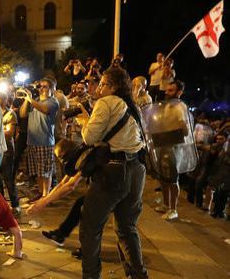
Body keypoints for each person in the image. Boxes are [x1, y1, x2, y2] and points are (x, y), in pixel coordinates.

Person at [76, 67, 147, 279]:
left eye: (103, 84)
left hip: (114, 171)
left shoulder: (106, 102)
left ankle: (91, 276)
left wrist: (84, 122)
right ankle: (138, 275)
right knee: (126, 227)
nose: (99, 88)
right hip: (136, 170)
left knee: (90, 228)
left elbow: (89, 138)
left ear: (113, 87)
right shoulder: (133, 106)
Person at [153, 80, 189, 221]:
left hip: (175, 146)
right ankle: (166, 204)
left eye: (171, 90)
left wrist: (182, 125)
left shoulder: (180, 107)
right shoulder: (166, 106)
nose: (167, 93)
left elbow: (185, 130)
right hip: (163, 143)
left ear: (179, 92)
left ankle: (173, 209)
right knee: (163, 177)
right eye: (167, 90)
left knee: (173, 178)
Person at [20, 77, 60, 198]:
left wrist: (30, 100)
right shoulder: (34, 100)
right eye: (40, 86)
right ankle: (40, 193)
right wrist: (28, 100)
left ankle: (46, 195)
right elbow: (22, 114)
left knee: (46, 171)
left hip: (45, 141)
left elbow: (45, 109)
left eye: (45, 86)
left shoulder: (53, 101)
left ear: (52, 88)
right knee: (38, 171)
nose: (41, 88)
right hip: (32, 141)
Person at [0, 92, 20, 214]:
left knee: (8, 179)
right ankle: (1, 204)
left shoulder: (10, 114)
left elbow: (10, 133)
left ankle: (15, 205)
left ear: (4, 100)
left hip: (7, 151)